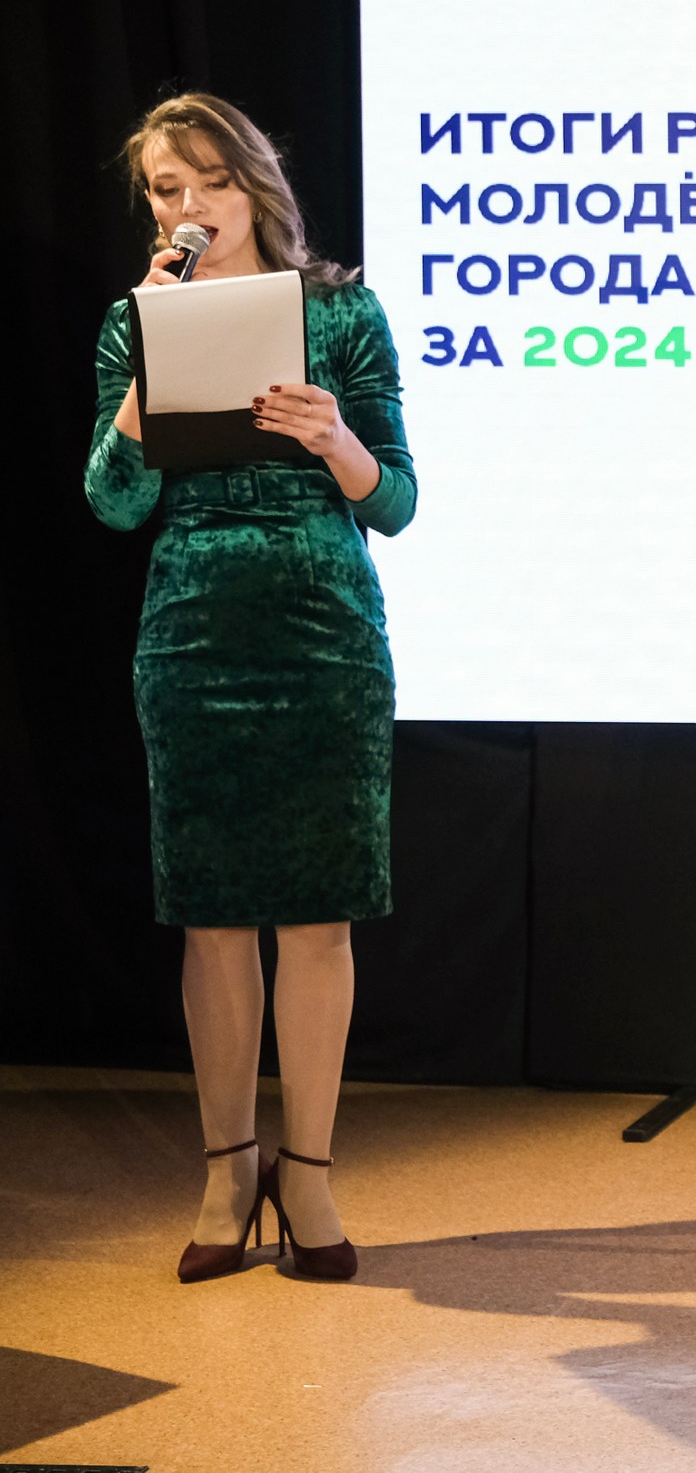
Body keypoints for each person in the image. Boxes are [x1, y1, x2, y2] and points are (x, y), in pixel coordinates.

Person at [84, 94, 418, 1282]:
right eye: (167, 189)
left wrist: (334, 438)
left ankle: (308, 1174)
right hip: (193, 637)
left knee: (318, 918)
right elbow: (113, 500)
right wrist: (151, 354)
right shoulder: (135, 322)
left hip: (325, 634)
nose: (190, 207)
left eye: (210, 182)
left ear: (254, 186)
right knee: (216, 918)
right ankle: (229, 1171)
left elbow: (397, 501)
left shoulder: (343, 312)